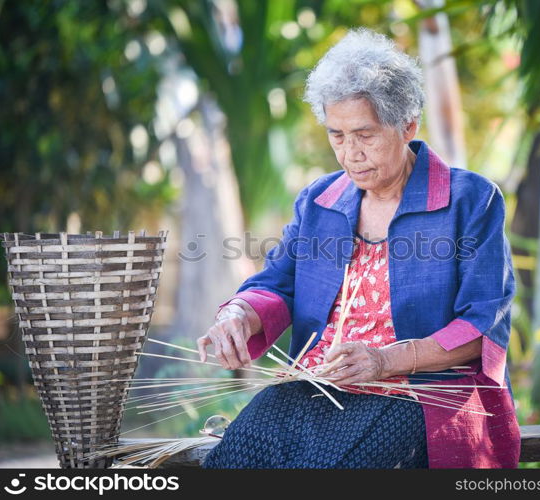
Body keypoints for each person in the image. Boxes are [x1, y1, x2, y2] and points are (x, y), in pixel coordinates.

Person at [197, 27, 520, 469]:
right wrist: (237, 316)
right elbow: (278, 284)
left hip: (417, 393)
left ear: (408, 124)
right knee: (231, 462)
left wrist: (386, 360)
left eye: (364, 135)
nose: (350, 154)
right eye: (337, 136)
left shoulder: (470, 201)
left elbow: (484, 324)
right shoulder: (320, 202)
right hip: (314, 383)